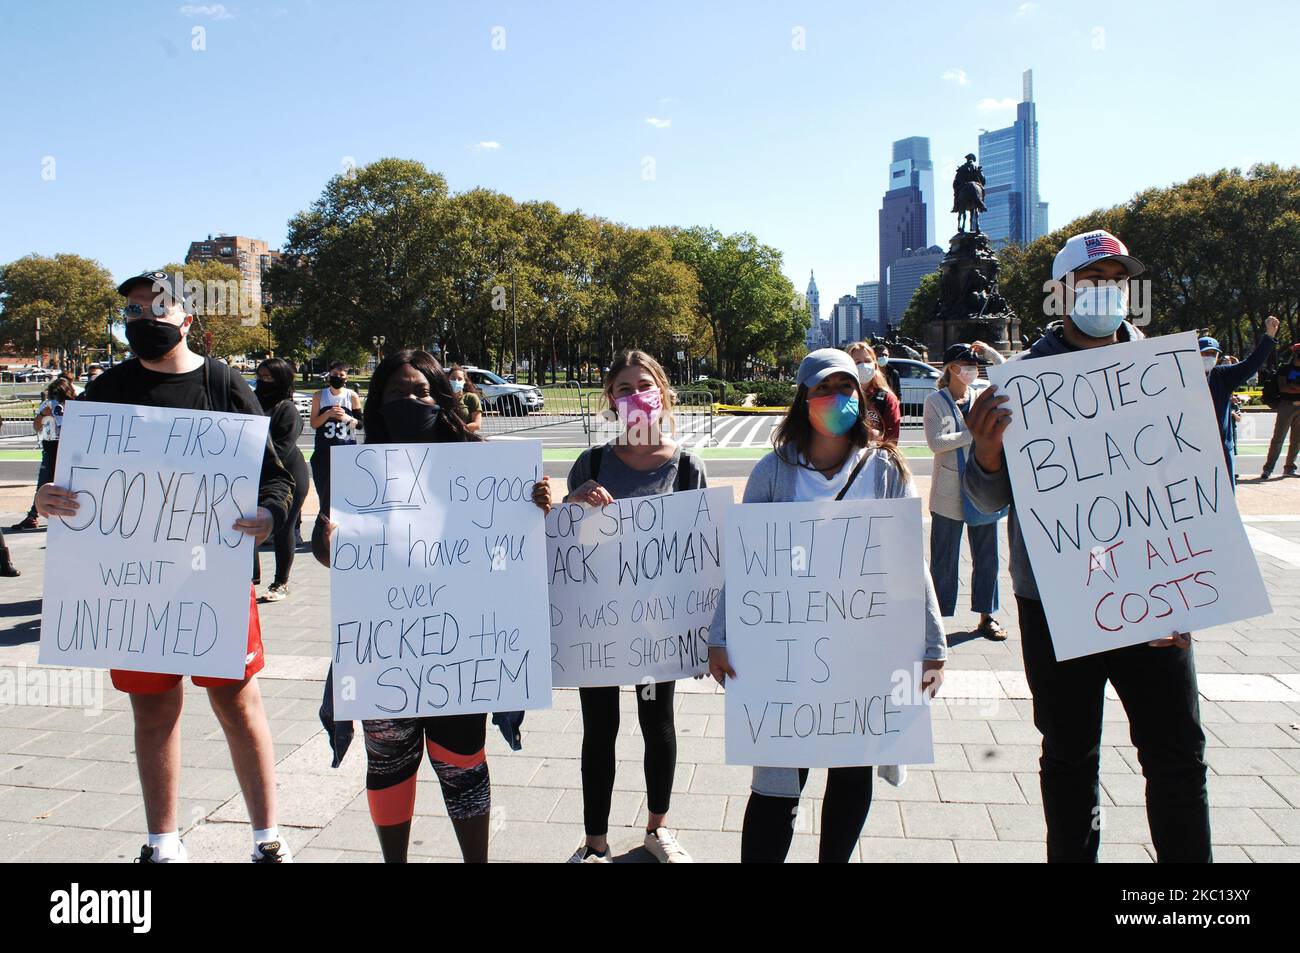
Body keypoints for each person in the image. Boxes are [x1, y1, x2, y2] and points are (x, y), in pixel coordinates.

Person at [963, 229, 1211, 863]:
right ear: (1060, 293)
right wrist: (987, 454)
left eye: (1116, 282)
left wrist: (1192, 589)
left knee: (1178, 756)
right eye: (1092, 282)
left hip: (1154, 593)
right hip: (1056, 600)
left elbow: (1191, 491)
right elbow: (988, 504)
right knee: (1071, 759)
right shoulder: (1020, 384)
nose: (1106, 293)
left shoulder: (1160, 371)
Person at [35, 271, 297, 864]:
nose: (141, 319)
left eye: (155, 308)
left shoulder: (224, 383)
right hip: (130, 589)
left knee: (237, 703)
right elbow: (64, 473)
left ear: (187, 318)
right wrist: (46, 497)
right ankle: (163, 843)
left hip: (215, 583)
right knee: (153, 710)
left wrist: (269, 512)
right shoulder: (104, 392)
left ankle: (267, 837)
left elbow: (278, 474)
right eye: (131, 311)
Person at [707, 348, 947, 863]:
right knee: (775, 788)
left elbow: (910, 562)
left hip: (864, 655)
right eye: (823, 388)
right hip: (785, 658)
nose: (836, 398)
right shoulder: (773, 472)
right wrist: (721, 635)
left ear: (860, 397)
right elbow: (746, 563)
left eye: (845, 388)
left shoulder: (885, 469)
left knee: (851, 772)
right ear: (803, 399)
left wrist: (933, 644)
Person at [313, 350, 553, 863]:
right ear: (376, 402)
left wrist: (535, 507)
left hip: (460, 648)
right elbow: (323, 544)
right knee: (388, 764)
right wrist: (330, 541)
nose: (409, 401)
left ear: (440, 396)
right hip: (384, 647)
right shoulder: (358, 464)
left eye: (420, 391)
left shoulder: (478, 458)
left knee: (463, 762)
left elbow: (513, 543)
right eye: (396, 393)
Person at [562, 350, 705, 864]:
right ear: (609, 400)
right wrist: (573, 504)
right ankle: (595, 842)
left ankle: (657, 828)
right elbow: (561, 545)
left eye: (643, 386)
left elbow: (702, 554)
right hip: (597, 625)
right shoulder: (593, 463)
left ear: (663, 394)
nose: (635, 396)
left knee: (657, 723)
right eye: (623, 389)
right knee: (599, 728)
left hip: (657, 629)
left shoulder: (687, 466)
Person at [924, 342, 1007, 640]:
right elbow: (936, 443)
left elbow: (1009, 373)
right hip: (948, 492)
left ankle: (988, 616)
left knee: (987, 556)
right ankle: (935, 622)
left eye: (974, 364)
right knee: (944, 559)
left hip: (983, 488)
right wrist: (974, 432)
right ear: (950, 369)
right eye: (964, 364)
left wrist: (989, 353)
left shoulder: (982, 394)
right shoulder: (935, 400)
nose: (970, 369)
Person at [253, 358, 310, 602]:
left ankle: (281, 582)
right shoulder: (249, 403)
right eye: (260, 376)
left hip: (288, 476)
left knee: (284, 526)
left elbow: (281, 450)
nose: (263, 381)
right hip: (255, 474)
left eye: (269, 378)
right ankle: (249, 579)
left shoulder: (287, 410)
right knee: (247, 525)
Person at [1199, 321, 1278, 487]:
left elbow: (1250, 365)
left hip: (1220, 448)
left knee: (1225, 495)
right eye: (1204, 353)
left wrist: (1269, 336)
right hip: (1193, 449)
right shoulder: (1180, 377)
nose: (1209, 357)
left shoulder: (1222, 376)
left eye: (1213, 353)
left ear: (1218, 357)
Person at [11, 377, 76, 532]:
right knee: (44, 481)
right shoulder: (46, 405)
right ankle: (33, 515)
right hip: (50, 446)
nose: (56, 399)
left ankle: (67, 512)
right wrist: (43, 415)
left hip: (68, 447)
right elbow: (36, 427)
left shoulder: (74, 405)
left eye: (59, 395)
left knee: (69, 482)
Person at [308, 361, 361, 521]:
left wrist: (344, 417)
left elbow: (360, 425)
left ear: (347, 377)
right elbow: (314, 423)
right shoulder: (319, 395)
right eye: (334, 375)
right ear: (329, 375)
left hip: (346, 451)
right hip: (323, 452)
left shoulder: (351, 395)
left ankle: (344, 525)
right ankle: (324, 526)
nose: (337, 377)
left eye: (341, 375)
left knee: (344, 492)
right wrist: (328, 414)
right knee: (324, 493)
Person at [845, 341, 901, 443]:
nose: (864, 366)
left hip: (876, 455)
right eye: (858, 362)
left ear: (874, 365)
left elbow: (892, 439)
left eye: (867, 361)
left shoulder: (887, 398)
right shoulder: (840, 396)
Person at [1262, 342, 1300, 479]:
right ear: (1295, 354)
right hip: (1286, 405)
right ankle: (1268, 468)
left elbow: (1289, 386)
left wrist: (1293, 387)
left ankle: (1290, 468)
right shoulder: (1285, 369)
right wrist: (1293, 388)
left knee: (1297, 440)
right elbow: (1283, 387)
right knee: (1278, 438)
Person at [449, 364, 482, 434]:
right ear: (448, 380)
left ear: (464, 381)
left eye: (459, 379)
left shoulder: (471, 398)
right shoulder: (444, 397)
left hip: (466, 440)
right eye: (453, 379)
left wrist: (459, 430)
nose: (456, 381)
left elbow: (477, 424)